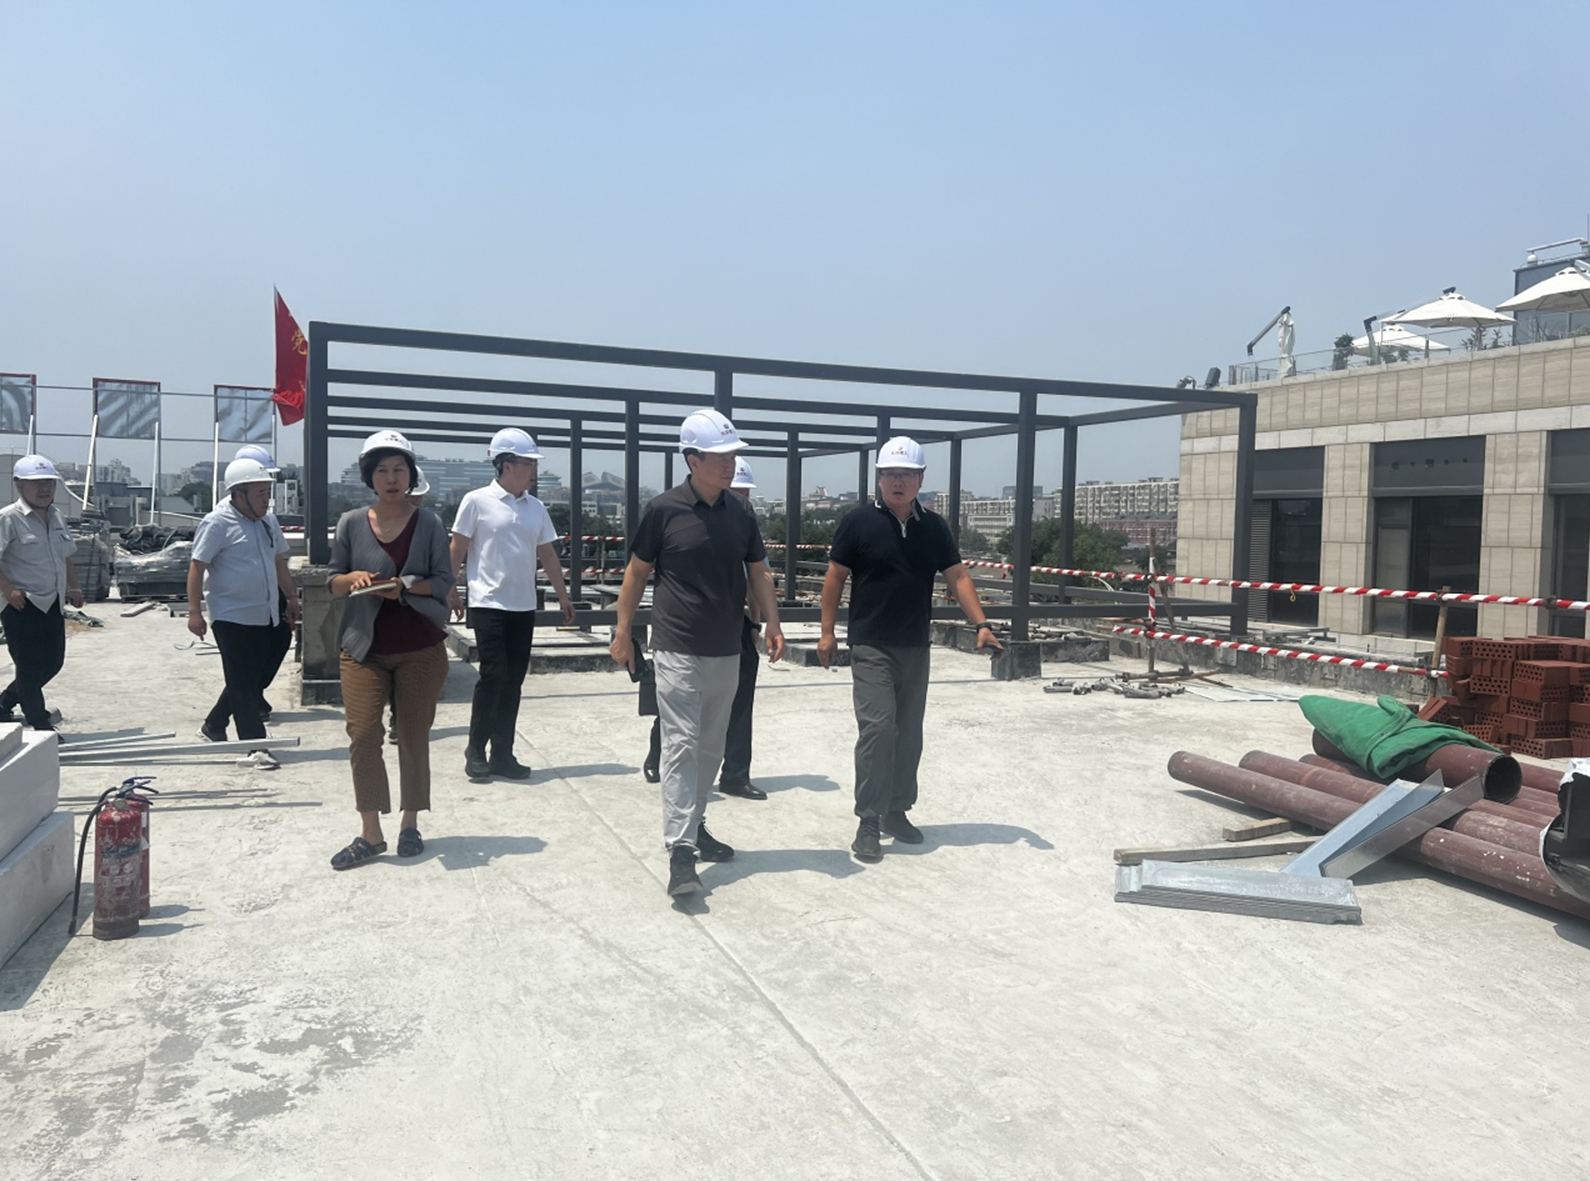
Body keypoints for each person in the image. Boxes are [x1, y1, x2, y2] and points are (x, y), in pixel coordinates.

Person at [610, 409, 786, 898]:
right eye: (720, 456)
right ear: (692, 459)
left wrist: (773, 621)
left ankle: (695, 822)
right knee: (681, 744)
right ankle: (681, 852)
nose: (730, 464)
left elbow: (758, 572)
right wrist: (622, 632)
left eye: (733, 456)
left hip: (727, 646)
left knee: (711, 746)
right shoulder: (664, 510)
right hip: (677, 645)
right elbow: (636, 574)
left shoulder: (742, 513)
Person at [818, 436, 1003, 862]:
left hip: (915, 644)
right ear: (879, 478)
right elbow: (834, 577)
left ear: (921, 479)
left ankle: (896, 810)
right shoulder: (858, 522)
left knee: (909, 732)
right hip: (870, 643)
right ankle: (869, 818)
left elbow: (958, 577)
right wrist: (827, 632)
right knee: (878, 728)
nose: (896, 481)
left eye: (905, 474)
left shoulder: (933, 528)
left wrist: (982, 624)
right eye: (889, 474)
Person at [326, 430, 454, 871]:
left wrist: (405, 585)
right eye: (382, 470)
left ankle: (410, 822)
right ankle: (370, 832)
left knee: (413, 737)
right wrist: (353, 579)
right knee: (363, 734)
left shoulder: (430, 523)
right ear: (369, 477)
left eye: (399, 469)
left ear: (411, 474)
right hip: (364, 648)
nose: (392, 478)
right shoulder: (351, 523)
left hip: (420, 647)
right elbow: (332, 580)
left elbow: (444, 581)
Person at [448, 429, 575, 782]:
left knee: (514, 680)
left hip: (523, 605)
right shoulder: (476, 501)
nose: (533, 470)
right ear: (506, 465)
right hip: (488, 602)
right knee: (494, 675)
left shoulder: (535, 507)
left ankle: (502, 754)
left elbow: (548, 554)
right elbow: (457, 548)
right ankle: (476, 750)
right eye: (528, 463)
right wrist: (450, 588)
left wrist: (563, 596)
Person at [641, 456, 765, 797]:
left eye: (745, 493)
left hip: (735, 623)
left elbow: (758, 577)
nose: (740, 497)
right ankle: (660, 755)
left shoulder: (744, 519)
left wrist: (756, 622)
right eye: (737, 491)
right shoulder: (680, 514)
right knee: (682, 706)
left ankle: (736, 774)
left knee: (738, 704)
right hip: (689, 626)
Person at [186, 459, 300, 767]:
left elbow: (279, 562)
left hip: (268, 612)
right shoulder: (217, 523)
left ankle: (214, 724)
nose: (266, 499)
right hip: (231, 616)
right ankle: (255, 745)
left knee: (256, 674)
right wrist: (194, 612)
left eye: (268, 492)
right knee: (242, 682)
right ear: (239, 494)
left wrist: (291, 597)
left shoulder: (268, 521)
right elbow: (197, 567)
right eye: (260, 493)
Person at [0, 455, 82, 734]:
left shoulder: (56, 517)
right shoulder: (8, 518)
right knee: (28, 667)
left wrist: (73, 587)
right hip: (21, 604)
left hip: (52, 602)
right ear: (19, 485)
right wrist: (8, 589)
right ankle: (40, 724)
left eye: (49, 482)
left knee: (53, 663)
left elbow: (65, 556)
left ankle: (4, 702)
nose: (44, 488)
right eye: (36, 483)